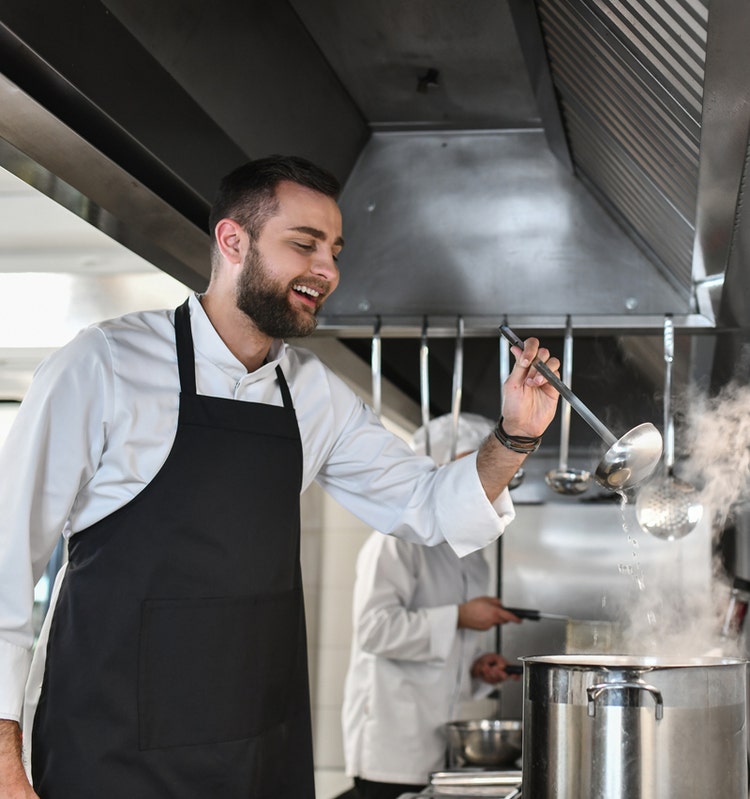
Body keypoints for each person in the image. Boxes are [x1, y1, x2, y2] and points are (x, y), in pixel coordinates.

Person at [0, 155, 560, 799]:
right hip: (110, 757)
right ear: (232, 241)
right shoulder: (103, 365)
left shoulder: (314, 393)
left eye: (335, 251)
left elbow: (428, 505)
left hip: (258, 757)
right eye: (304, 245)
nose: (327, 270)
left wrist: (516, 436)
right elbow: (10, 565)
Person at [339, 414, 524, 799]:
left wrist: (476, 669)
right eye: (472, 470)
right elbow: (374, 630)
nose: (483, 486)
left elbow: (444, 658)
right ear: (441, 468)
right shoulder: (395, 541)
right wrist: (459, 616)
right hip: (392, 747)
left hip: (446, 746)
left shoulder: (473, 555)